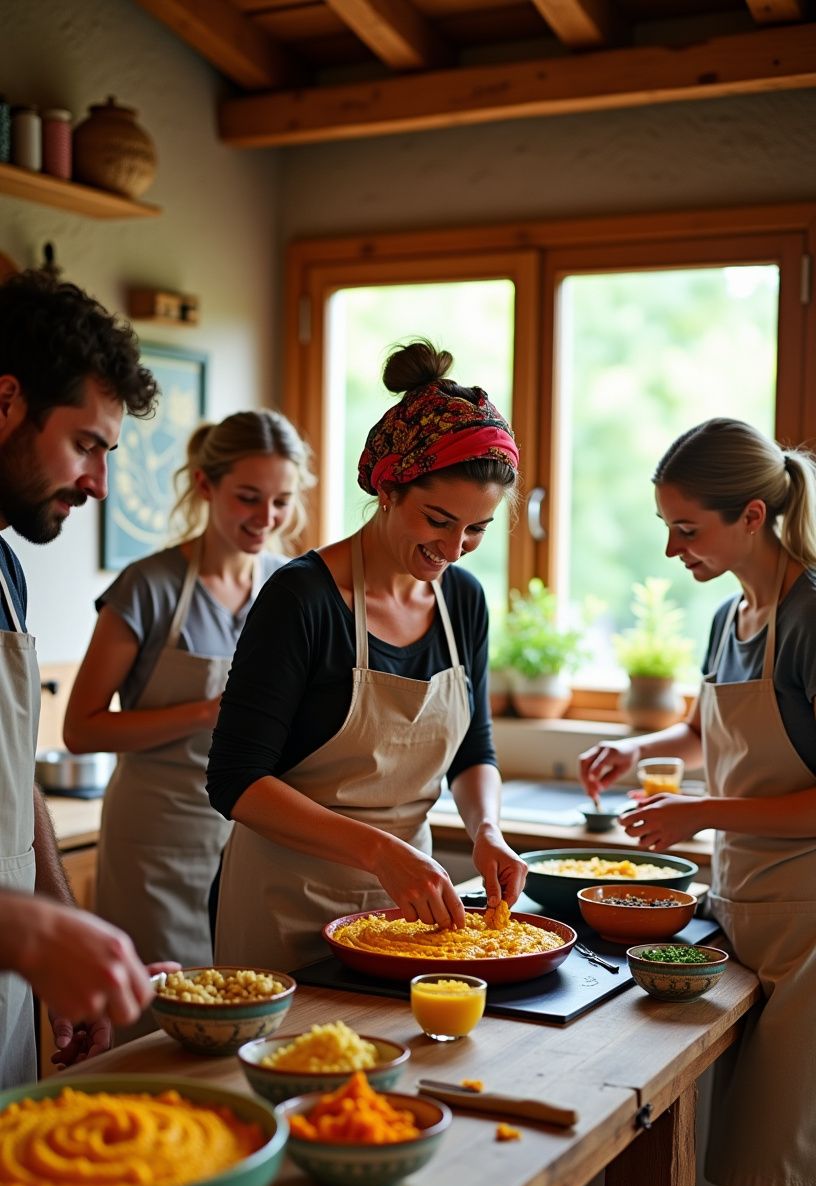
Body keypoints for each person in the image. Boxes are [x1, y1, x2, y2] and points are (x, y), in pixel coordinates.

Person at [579, 417, 816, 1186]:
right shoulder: (735, 613)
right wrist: (641, 747)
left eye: (686, 529)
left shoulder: (814, 614)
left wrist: (703, 813)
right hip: (747, 907)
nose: (673, 549)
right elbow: (707, 723)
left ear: (752, 515)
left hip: (813, 934)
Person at [207, 339, 528, 971]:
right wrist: (379, 851)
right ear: (389, 489)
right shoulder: (302, 598)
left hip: (411, 906)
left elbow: (473, 748)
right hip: (285, 899)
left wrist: (485, 829)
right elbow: (236, 780)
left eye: (477, 529)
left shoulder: (463, 601)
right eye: (438, 520)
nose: (455, 548)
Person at [64, 410, 315, 973]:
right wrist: (207, 710)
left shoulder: (290, 587)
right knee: (157, 1020)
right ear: (206, 484)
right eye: (249, 497)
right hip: (156, 844)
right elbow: (80, 729)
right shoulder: (146, 587)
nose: (266, 518)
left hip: (256, 840)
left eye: (281, 501)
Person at [0, 268, 163, 1087]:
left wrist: (57, 925)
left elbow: (12, 775)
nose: (98, 482)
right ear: (6, 402)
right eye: (86, 444)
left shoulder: (4, 571)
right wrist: (25, 935)